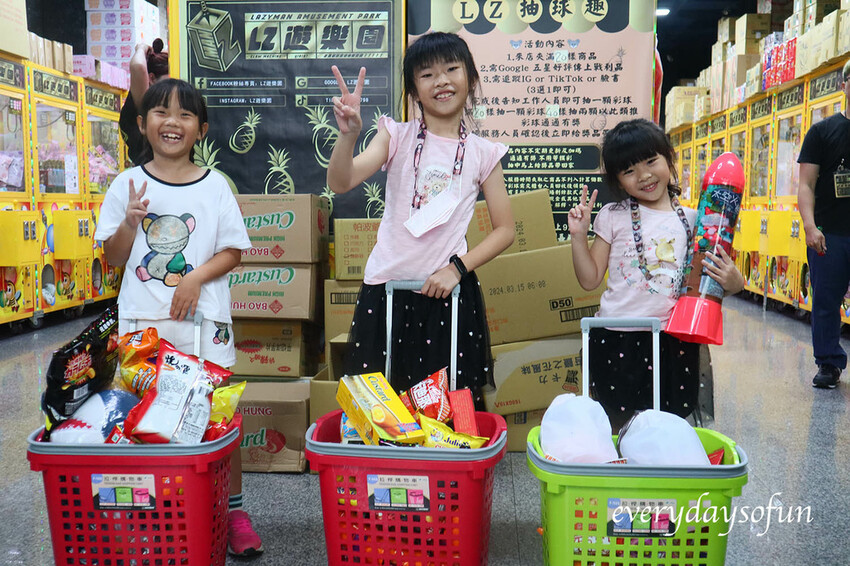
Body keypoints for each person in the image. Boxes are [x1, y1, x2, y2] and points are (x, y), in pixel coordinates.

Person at [93, 79, 263, 557]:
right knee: (143, 414)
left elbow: (233, 251)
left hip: (205, 324)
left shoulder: (215, 186)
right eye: (161, 112)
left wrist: (193, 279)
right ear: (144, 124)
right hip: (143, 325)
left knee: (217, 415)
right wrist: (129, 224)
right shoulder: (126, 184)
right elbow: (113, 258)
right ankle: (157, 509)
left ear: (201, 129)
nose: (173, 122)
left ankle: (231, 511)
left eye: (185, 115)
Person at [327, 32, 515, 398]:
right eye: (427, 74)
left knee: (446, 413)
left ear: (470, 78)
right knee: (381, 411)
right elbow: (341, 181)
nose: (441, 81)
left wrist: (456, 269)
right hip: (387, 292)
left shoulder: (484, 153)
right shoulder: (394, 135)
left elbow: (505, 230)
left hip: (447, 294)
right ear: (414, 89)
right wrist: (348, 136)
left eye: (451, 69)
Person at [568, 118, 745, 431]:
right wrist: (578, 236)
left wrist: (734, 283)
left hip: (673, 339)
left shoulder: (697, 221)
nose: (644, 176)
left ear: (669, 159)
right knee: (617, 423)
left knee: (668, 422)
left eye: (651, 161)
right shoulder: (612, 216)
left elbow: (712, 284)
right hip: (615, 337)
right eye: (629, 170)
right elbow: (590, 279)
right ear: (617, 180)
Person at [797, 59, 850, 389]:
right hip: (830, 234)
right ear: (845, 85)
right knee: (826, 301)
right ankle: (829, 363)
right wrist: (809, 226)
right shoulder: (822, 132)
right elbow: (805, 184)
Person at [121, 39, 169, 167]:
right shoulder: (144, 103)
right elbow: (138, 67)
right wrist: (141, 48)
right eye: (169, 79)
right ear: (151, 78)